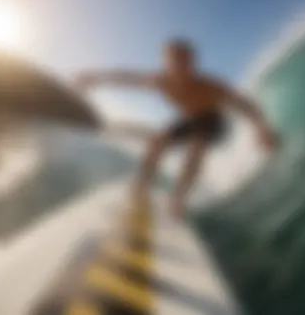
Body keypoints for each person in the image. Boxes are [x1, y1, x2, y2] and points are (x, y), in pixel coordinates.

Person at [76, 39, 279, 219]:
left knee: (196, 148)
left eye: (185, 61)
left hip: (212, 120)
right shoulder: (161, 81)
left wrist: (261, 128)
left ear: (192, 63)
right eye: (174, 61)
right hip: (189, 119)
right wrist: (98, 77)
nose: (180, 66)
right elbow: (128, 77)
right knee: (157, 141)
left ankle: (176, 200)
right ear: (167, 62)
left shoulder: (209, 85)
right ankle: (139, 188)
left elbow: (244, 104)